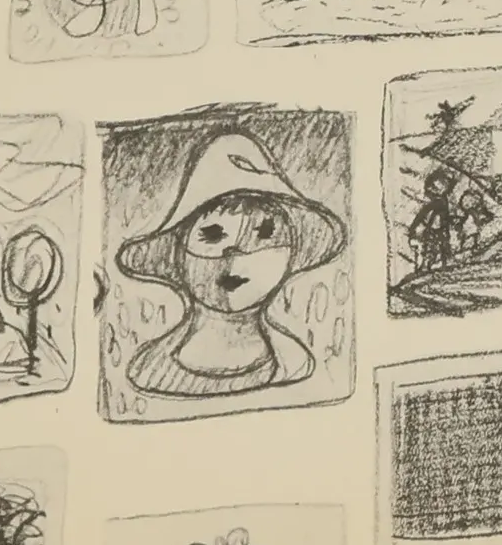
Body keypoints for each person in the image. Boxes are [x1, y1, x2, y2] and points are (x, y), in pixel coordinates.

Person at [114, 129, 346, 399]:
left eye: (265, 234)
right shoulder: (150, 370)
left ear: (291, 252)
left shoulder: (295, 365)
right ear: (178, 255)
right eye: (212, 235)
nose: (234, 253)